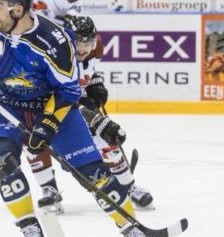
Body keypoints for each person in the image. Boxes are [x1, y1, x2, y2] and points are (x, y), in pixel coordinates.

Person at [0, 0, 155, 237]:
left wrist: (47, 125)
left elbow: (67, 92)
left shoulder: (54, 41)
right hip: (8, 105)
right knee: (2, 161)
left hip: (53, 108)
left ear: (17, 9)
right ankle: (28, 225)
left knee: (95, 174)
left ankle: (129, 225)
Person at [26, 15, 154, 214]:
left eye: (89, 42)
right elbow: (58, 98)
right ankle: (48, 189)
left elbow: (87, 72)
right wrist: (93, 117)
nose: (85, 48)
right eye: (79, 42)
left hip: (72, 105)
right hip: (44, 108)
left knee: (105, 138)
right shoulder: (53, 56)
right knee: (33, 141)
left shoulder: (96, 49)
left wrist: (95, 83)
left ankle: (128, 187)